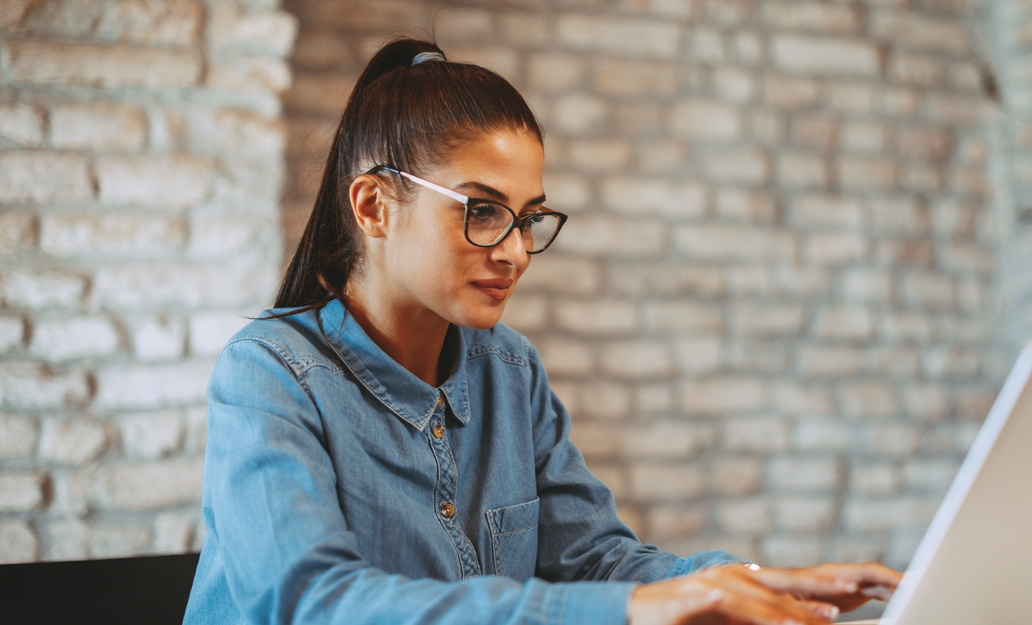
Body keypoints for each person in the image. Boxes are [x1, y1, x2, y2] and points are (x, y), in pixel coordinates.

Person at [182, 37, 901, 625]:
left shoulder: (508, 370)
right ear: (373, 205)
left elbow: (595, 561)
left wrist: (747, 581)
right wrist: (639, 607)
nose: (516, 250)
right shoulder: (268, 375)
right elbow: (315, 603)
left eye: (528, 218)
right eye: (483, 210)